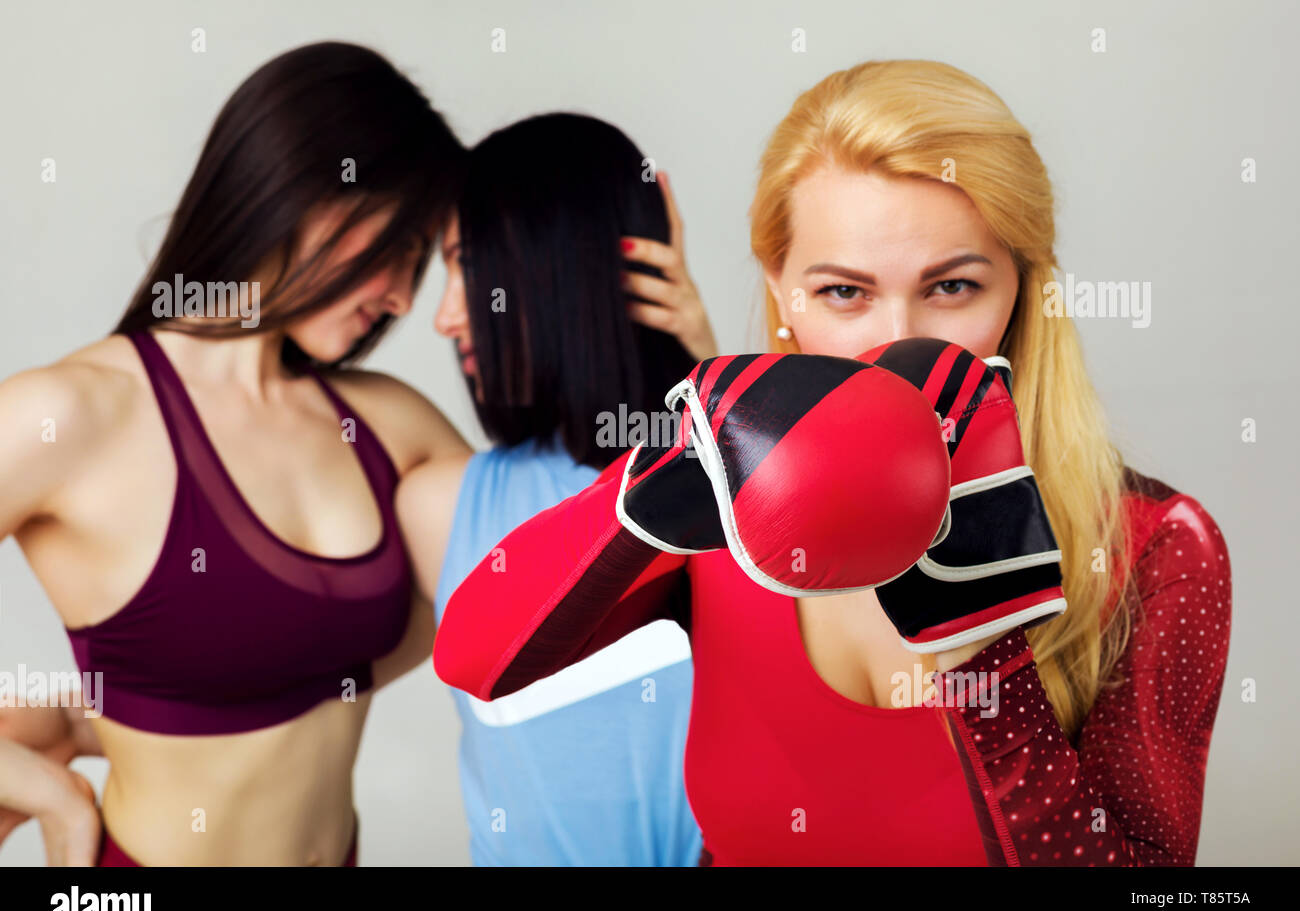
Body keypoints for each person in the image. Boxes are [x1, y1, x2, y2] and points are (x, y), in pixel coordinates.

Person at [432, 60, 1232, 866]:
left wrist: (983, 662)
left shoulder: (1154, 542)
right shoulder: (734, 498)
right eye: (845, 293)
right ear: (782, 290)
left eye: (951, 286)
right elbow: (472, 661)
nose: (896, 341)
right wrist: (638, 505)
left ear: (1021, 289)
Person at [0, 42, 469, 866]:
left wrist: (692, 361)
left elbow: (557, 579)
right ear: (305, 191)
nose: (403, 296)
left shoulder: (392, 425)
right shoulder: (71, 415)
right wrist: (54, 798)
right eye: (395, 247)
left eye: (419, 260)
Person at [397, 113, 711, 865]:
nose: (444, 317)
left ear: (560, 265)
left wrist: (712, 369)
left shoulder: (728, 487)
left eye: (467, 266)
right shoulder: (440, 506)